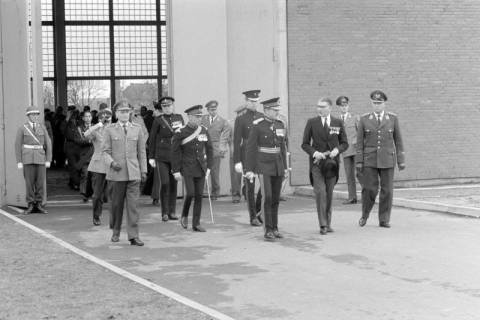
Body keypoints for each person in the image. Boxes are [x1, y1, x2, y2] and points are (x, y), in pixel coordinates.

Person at [356, 90, 405, 228]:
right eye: (374, 103)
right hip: (370, 159)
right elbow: (359, 142)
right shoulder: (365, 119)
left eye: (379, 103)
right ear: (371, 103)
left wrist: (401, 160)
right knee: (369, 189)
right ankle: (365, 214)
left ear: (384, 104)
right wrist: (359, 161)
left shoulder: (392, 118)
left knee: (387, 190)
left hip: (387, 159)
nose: (377, 106)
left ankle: (384, 219)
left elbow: (398, 140)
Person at [103, 100, 147, 246]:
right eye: (122, 111)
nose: (125, 114)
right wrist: (111, 162)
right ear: (116, 114)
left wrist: (143, 170)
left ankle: (133, 236)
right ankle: (116, 231)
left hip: (133, 173)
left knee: (133, 206)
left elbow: (142, 152)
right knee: (116, 205)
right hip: (117, 174)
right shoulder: (109, 129)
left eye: (127, 111)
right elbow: (105, 152)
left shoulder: (137, 128)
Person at [301, 97, 348, 235]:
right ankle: (322, 224)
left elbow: (345, 143)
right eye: (318, 106)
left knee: (329, 193)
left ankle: (328, 223)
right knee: (320, 192)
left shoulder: (337, 122)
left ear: (330, 108)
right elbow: (304, 144)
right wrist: (314, 153)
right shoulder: (312, 122)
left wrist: (337, 150)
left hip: (332, 165)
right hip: (317, 164)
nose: (319, 109)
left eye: (322, 107)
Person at [245, 98, 288, 241]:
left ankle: (275, 228)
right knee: (267, 197)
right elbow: (250, 149)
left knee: (275, 198)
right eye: (274, 110)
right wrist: (249, 169)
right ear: (267, 110)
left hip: (277, 165)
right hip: (263, 165)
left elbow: (282, 147)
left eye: (277, 110)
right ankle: (268, 229)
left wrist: (286, 167)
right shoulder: (258, 126)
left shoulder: (280, 125)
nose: (277, 113)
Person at [172, 105, 213, 232]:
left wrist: (209, 166)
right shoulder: (181, 132)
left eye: (200, 117)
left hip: (200, 167)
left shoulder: (204, 130)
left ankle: (196, 223)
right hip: (187, 167)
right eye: (196, 117)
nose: (199, 119)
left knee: (199, 195)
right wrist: (176, 170)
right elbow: (175, 152)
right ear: (189, 117)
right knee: (190, 193)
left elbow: (210, 149)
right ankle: (184, 215)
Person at [148, 96, 184, 221]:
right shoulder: (158, 120)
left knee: (174, 184)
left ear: (172, 106)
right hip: (162, 157)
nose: (167, 108)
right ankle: (164, 212)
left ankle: (172, 211)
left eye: (169, 106)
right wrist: (151, 157)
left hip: (175, 156)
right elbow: (152, 139)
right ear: (162, 108)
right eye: (164, 106)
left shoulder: (179, 118)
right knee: (165, 183)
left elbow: (183, 137)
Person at [233, 90, 263, 226]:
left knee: (264, 186)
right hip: (247, 156)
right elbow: (236, 141)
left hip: (262, 155)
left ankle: (258, 211)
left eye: (256, 101)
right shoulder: (241, 119)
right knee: (250, 188)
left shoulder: (262, 116)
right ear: (246, 102)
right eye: (251, 101)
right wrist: (237, 161)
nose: (254, 103)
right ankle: (253, 217)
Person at [15, 106, 52, 214]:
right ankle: (30, 204)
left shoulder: (42, 127)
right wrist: (19, 161)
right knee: (29, 183)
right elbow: (17, 145)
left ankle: (39, 204)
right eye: (33, 115)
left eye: (37, 114)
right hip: (27, 158)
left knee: (40, 183)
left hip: (40, 158)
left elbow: (48, 144)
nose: (35, 116)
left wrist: (48, 159)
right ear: (28, 116)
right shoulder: (22, 128)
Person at [85, 105, 112, 226]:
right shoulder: (96, 130)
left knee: (115, 192)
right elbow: (86, 134)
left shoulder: (115, 129)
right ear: (100, 118)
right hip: (98, 164)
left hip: (112, 163)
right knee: (97, 194)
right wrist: (99, 124)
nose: (106, 118)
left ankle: (116, 216)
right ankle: (96, 216)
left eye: (108, 116)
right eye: (103, 116)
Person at [201, 100, 230, 200]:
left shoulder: (222, 121)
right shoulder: (202, 119)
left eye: (215, 109)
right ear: (208, 110)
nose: (213, 111)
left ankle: (215, 193)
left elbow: (226, 134)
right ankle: (202, 192)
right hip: (203, 147)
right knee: (202, 170)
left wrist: (222, 147)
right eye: (211, 110)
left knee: (214, 172)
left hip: (215, 148)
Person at [336, 96, 360, 204]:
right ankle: (352, 197)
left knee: (360, 174)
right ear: (339, 107)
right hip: (345, 152)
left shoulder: (355, 118)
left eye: (345, 105)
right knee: (349, 175)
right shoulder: (336, 121)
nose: (344, 108)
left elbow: (361, 133)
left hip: (355, 150)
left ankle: (368, 197)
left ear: (348, 106)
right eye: (342, 106)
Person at [229, 105, 247, 203]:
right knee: (236, 175)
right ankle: (236, 195)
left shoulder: (250, 122)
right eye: (242, 113)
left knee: (248, 173)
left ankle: (247, 193)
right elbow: (226, 137)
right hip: (235, 152)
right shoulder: (231, 123)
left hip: (247, 152)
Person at [78, 111, 94, 202]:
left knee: (95, 176)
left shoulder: (96, 127)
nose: (88, 118)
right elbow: (78, 140)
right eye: (86, 116)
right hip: (85, 155)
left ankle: (94, 192)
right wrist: (88, 141)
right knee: (85, 175)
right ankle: (84, 194)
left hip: (95, 154)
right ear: (83, 118)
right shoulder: (79, 128)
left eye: (89, 116)